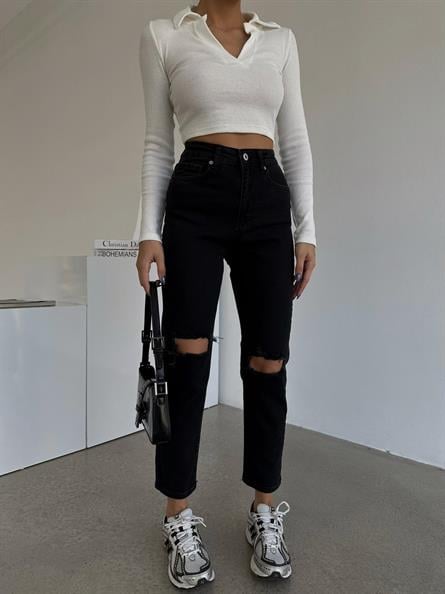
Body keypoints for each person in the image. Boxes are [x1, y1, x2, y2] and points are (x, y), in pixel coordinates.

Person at [135, 1, 316, 588]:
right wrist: (148, 231)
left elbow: (295, 139)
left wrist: (307, 230)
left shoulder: (280, 40)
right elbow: (157, 142)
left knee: (270, 359)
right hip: (196, 196)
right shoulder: (166, 36)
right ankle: (177, 513)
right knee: (187, 355)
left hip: (267, 199)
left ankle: (264, 510)